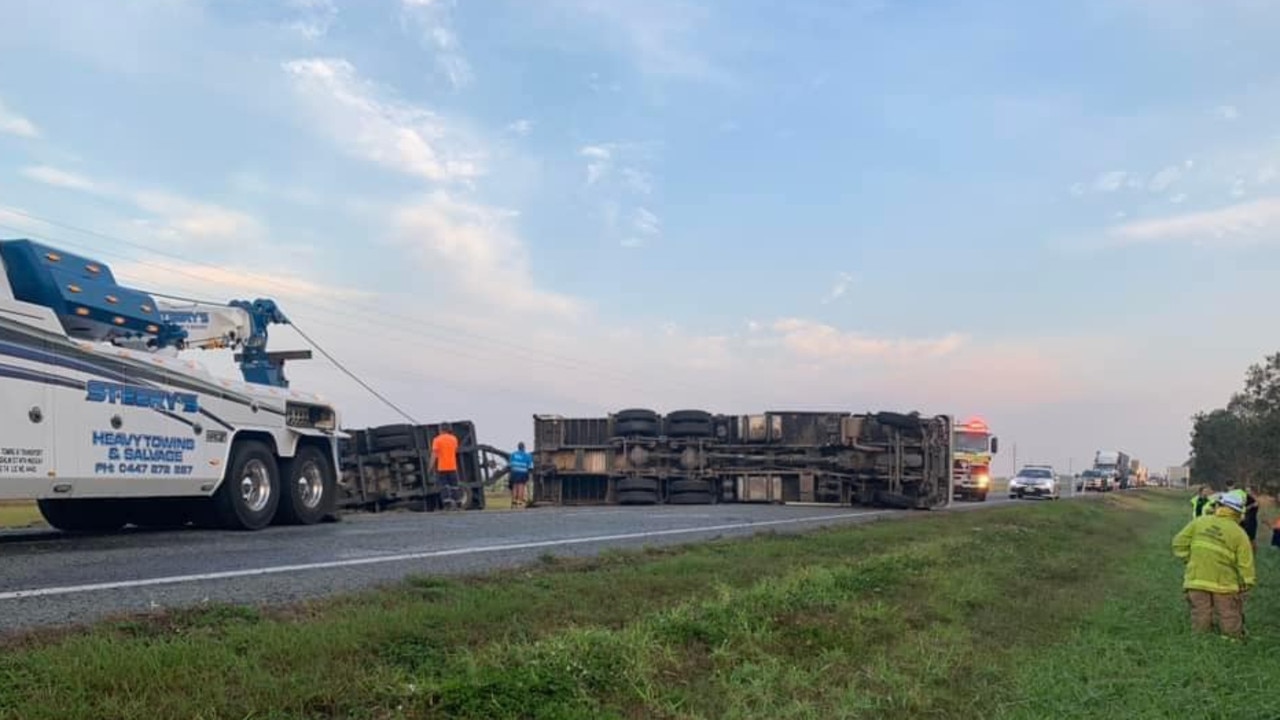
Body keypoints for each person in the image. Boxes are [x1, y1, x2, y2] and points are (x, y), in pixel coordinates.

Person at [1171, 489, 1256, 639]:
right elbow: (1245, 562)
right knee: (1228, 614)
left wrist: (1189, 560)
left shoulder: (1200, 522)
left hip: (1197, 579)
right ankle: (1231, 642)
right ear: (1238, 513)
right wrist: (1247, 583)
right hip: (1225, 584)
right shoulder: (1239, 533)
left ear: (1218, 505)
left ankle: (1201, 640)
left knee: (1201, 613)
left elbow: (1178, 543)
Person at [430, 424, 462, 510]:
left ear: (440, 429)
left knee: (444, 487)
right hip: (453, 467)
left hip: (442, 468)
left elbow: (434, 454)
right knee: (454, 486)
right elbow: (455, 450)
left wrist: (430, 466)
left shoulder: (437, 440)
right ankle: (458, 503)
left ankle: (447, 505)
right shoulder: (454, 439)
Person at [1226, 481, 1260, 551]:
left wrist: (1249, 507)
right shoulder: (1244, 497)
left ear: (1253, 492)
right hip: (1243, 520)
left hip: (1251, 521)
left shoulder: (1252, 499)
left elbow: (1255, 505)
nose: (1248, 492)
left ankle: (1253, 551)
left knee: (1251, 539)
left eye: (1249, 490)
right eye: (1246, 490)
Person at [508, 441, 533, 509]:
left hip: (514, 472)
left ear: (518, 447)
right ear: (524, 448)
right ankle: (519, 504)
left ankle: (513, 503)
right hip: (522, 473)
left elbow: (509, 465)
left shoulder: (513, 454)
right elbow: (530, 467)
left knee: (515, 487)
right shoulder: (528, 455)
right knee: (521, 487)